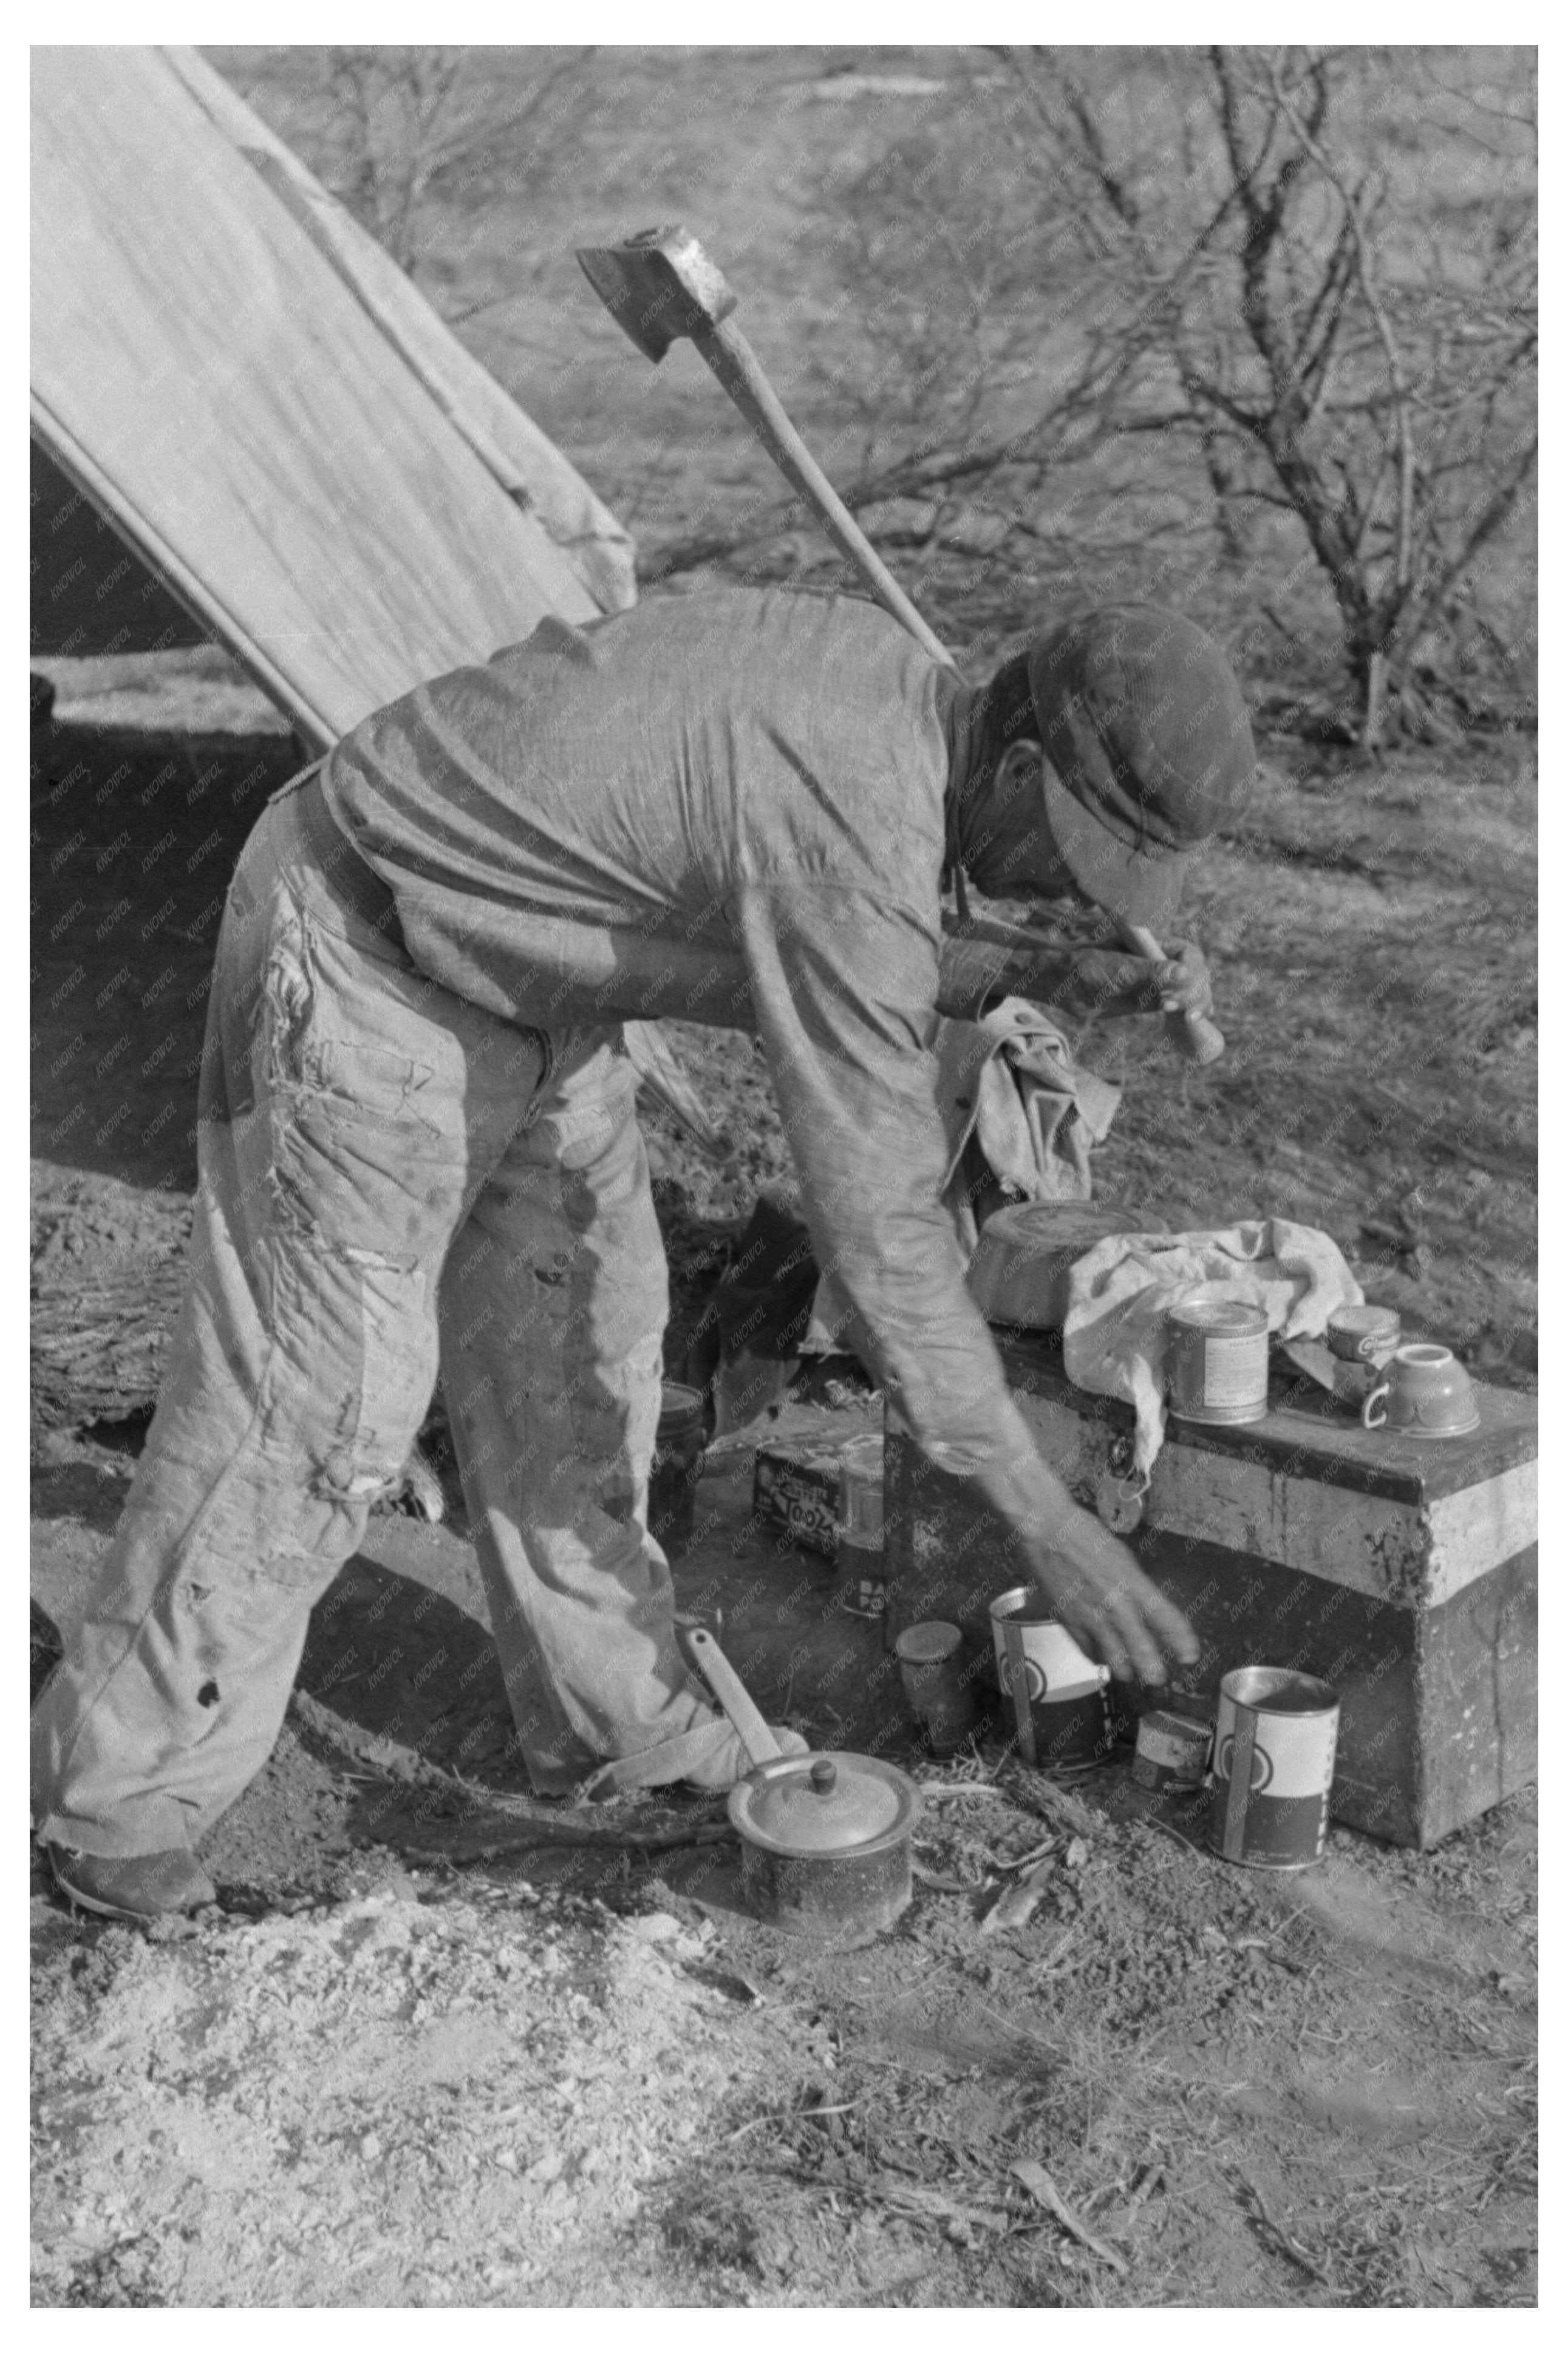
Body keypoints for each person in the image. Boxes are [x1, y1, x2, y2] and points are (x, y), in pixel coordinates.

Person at [32, 588, 1255, 1919]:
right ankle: (115, 1796)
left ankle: (613, 1720)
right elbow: (883, 1232)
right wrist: (1046, 1515)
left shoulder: (900, 706)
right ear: (1019, 767)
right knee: (320, 1404)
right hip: (367, 945)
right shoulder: (849, 817)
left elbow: (852, 930)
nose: (1072, 891)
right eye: (1075, 857)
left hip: (530, 979)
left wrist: (1058, 980)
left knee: (587, 1348)